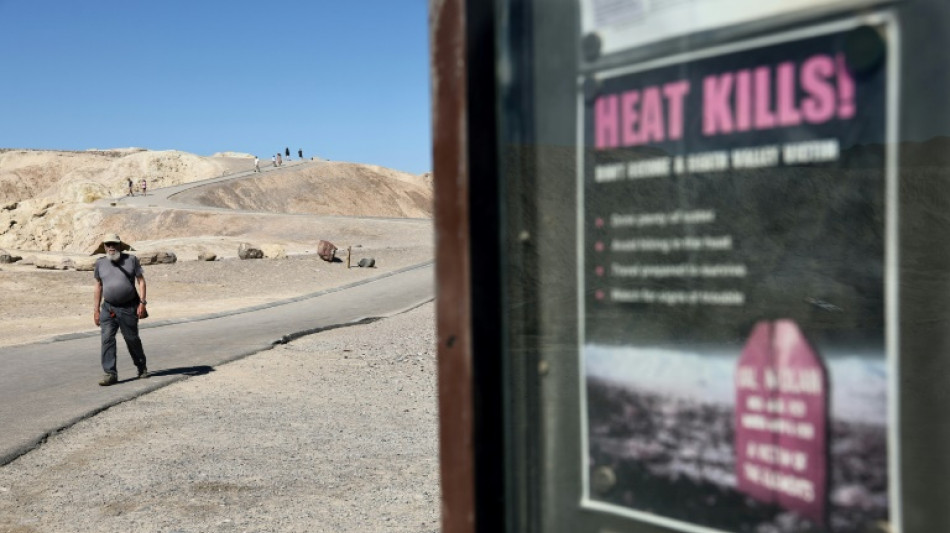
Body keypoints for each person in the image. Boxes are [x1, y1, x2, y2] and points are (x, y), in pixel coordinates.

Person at [93, 233, 149, 386]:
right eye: (108, 244)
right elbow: (98, 286)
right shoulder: (100, 263)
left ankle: (141, 366)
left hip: (128, 308)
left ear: (120, 245)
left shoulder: (131, 260)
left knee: (132, 339)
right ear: (104, 247)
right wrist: (96, 310)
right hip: (108, 308)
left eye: (114, 244)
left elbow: (141, 282)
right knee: (107, 339)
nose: (111, 247)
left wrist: (142, 303)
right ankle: (110, 373)